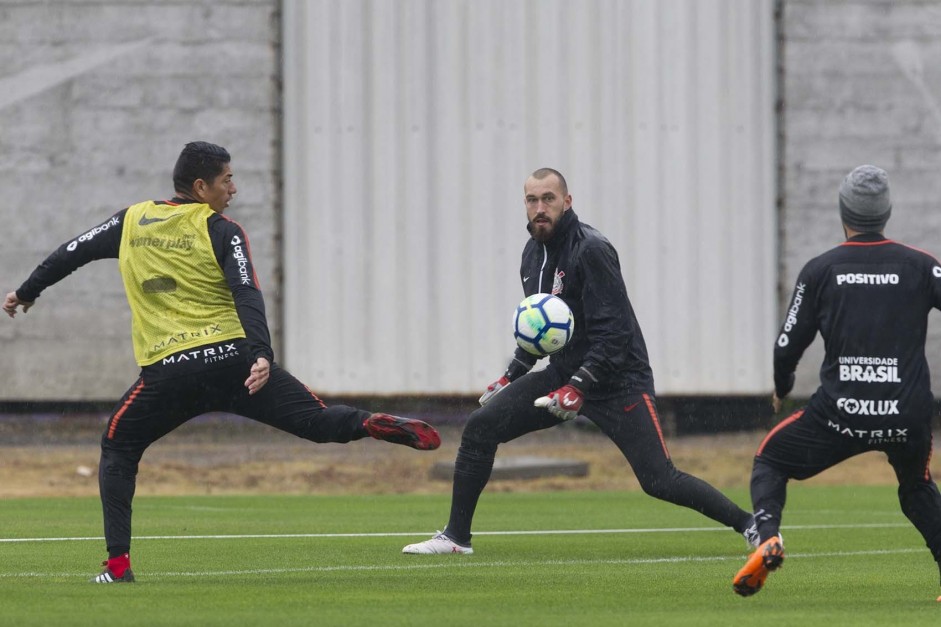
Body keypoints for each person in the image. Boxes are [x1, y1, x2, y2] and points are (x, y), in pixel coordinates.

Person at [3, 141, 441, 584]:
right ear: (201, 186)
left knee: (118, 447)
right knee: (319, 422)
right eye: (226, 179)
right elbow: (246, 290)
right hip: (234, 363)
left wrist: (26, 292)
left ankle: (118, 567)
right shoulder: (222, 230)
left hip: (170, 373)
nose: (233, 188)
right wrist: (261, 353)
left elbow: (69, 252)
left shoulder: (131, 220)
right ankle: (371, 423)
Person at [402, 167, 756, 555]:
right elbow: (540, 330)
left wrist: (579, 386)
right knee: (481, 428)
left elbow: (615, 334)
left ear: (567, 202)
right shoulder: (532, 253)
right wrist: (511, 374)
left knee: (659, 480)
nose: (540, 208)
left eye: (548, 199)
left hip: (619, 380)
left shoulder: (592, 250)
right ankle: (456, 539)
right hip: (564, 375)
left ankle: (751, 525)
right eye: (532, 200)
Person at [732, 165, 941, 599]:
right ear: (885, 212)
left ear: (843, 211)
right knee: (917, 487)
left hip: (840, 414)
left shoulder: (821, 269)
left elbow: (788, 343)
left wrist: (783, 383)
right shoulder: (922, 266)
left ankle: (768, 535)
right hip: (906, 414)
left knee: (771, 459)